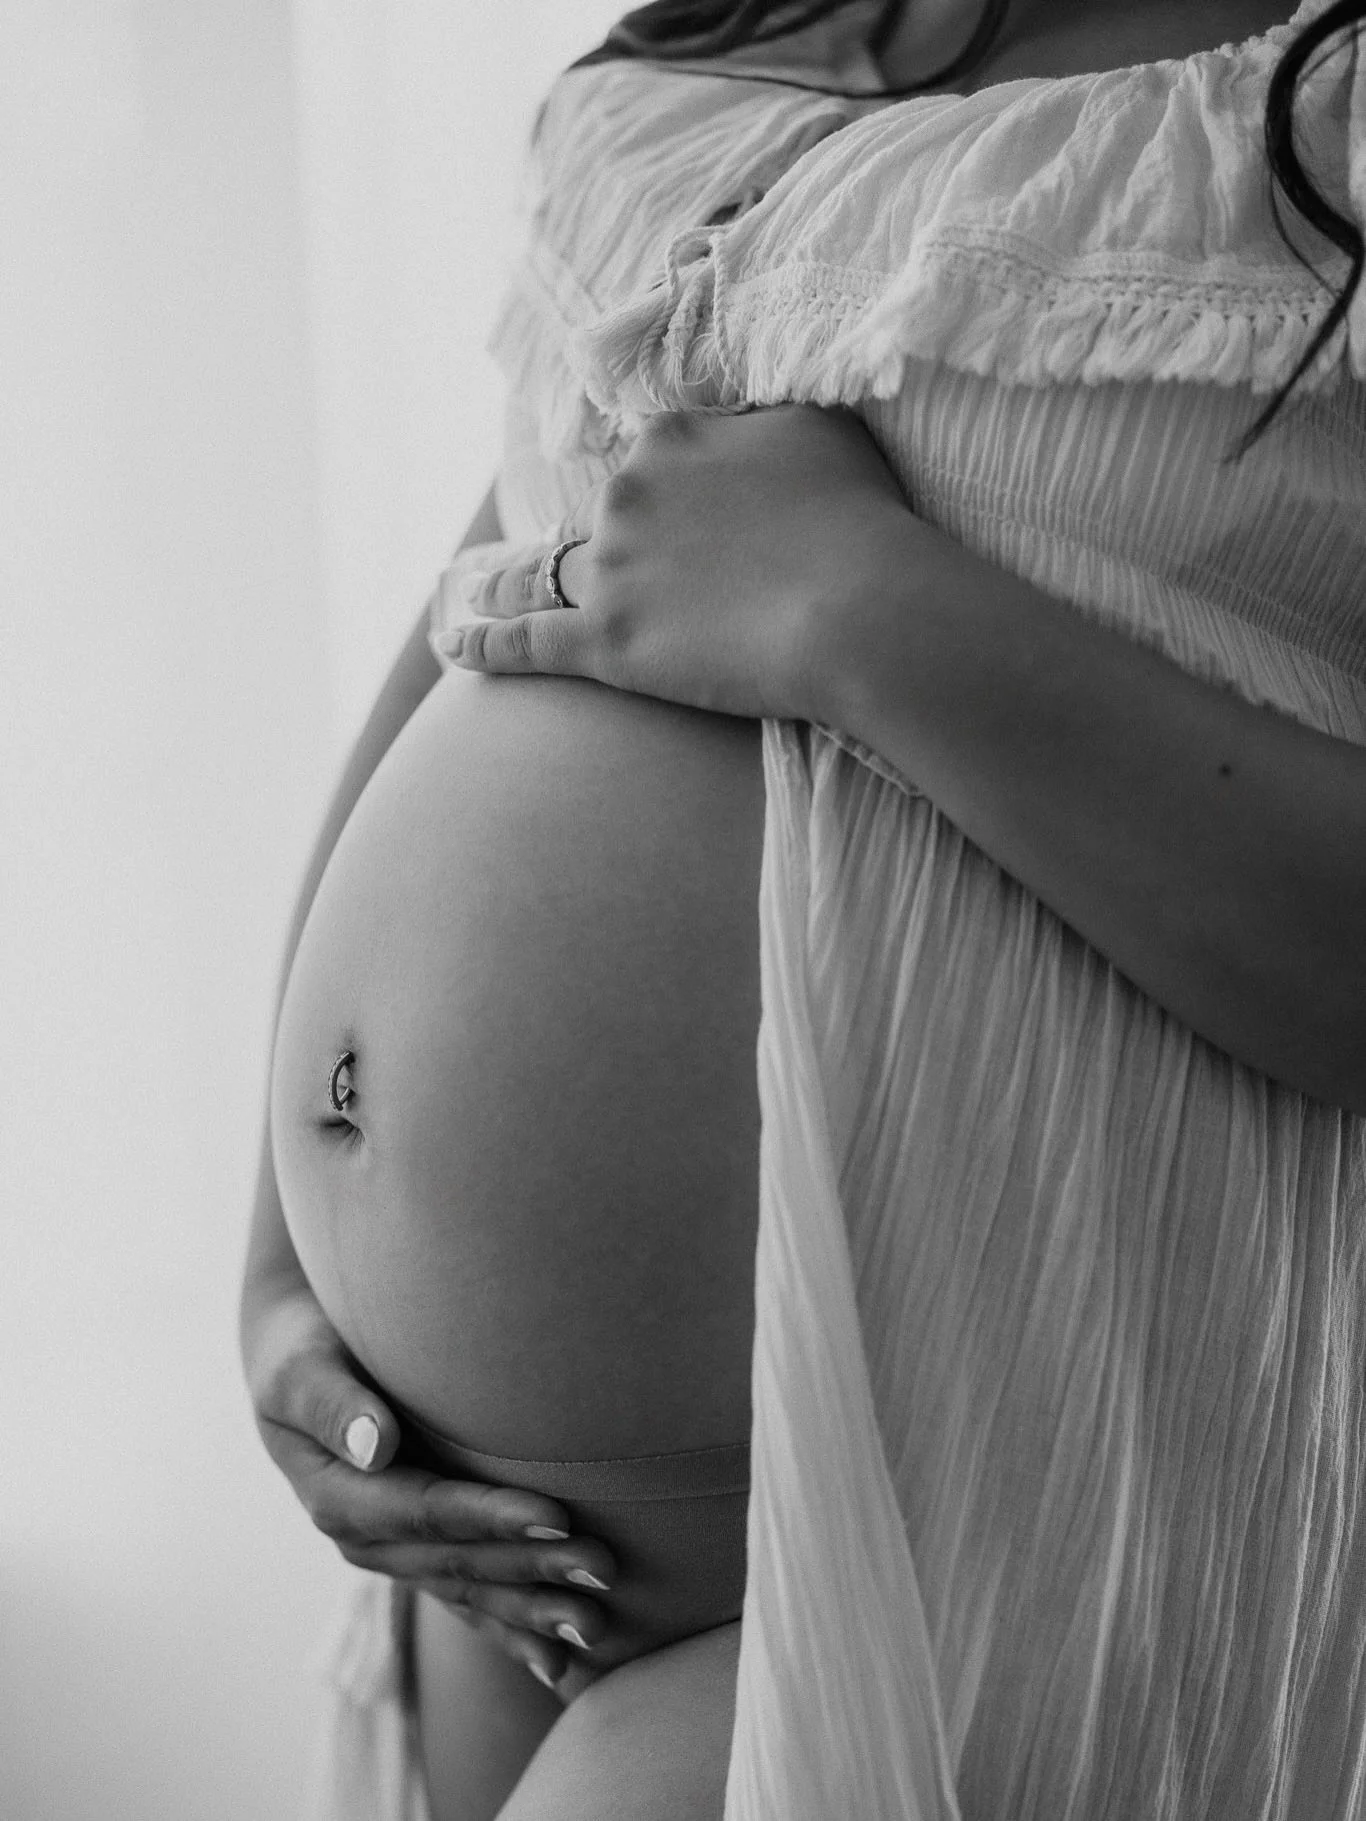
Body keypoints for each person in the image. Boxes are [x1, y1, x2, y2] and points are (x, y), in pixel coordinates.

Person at [241, 0, 1366, 1815]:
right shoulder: (790, 18)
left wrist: (863, 615)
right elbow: (523, 564)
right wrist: (283, 1271)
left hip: (965, 1525)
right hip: (467, 1544)